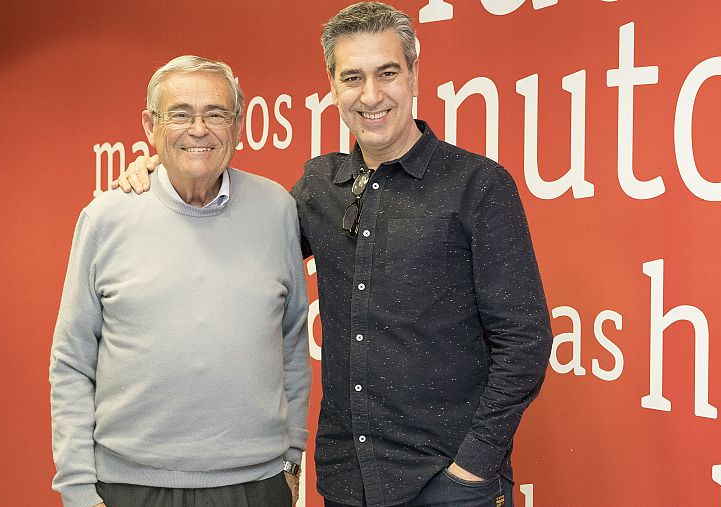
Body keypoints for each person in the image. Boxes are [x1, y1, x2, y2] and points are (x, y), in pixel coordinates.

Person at [115, 3, 553, 506]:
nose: (371, 95)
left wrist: (475, 464)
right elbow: (235, 236)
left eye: (387, 73)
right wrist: (167, 172)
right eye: (352, 77)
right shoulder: (319, 187)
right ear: (332, 85)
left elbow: (526, 339)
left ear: (413, 74)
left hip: (447, 483)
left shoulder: (477, 185)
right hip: (348, 481)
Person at [50, 55, 310, 507]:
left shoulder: (276, 210)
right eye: (180, 114)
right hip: (130, 487)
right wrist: (76, 490)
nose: (199, 129)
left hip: (256, 487)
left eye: (215, 114)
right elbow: (72, 362)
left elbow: (291, 345)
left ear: (238, 124)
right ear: (151, 126)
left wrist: (291, 459)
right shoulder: (105, 218)